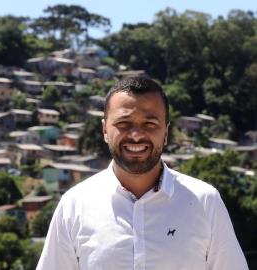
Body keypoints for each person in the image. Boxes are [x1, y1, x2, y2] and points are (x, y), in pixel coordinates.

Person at [36, 77, 248, 270]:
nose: (136, 135)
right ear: (104, 130)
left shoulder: (205, 202)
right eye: (123, 124)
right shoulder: (74, 206)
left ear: (165, 133)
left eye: (150, 123)